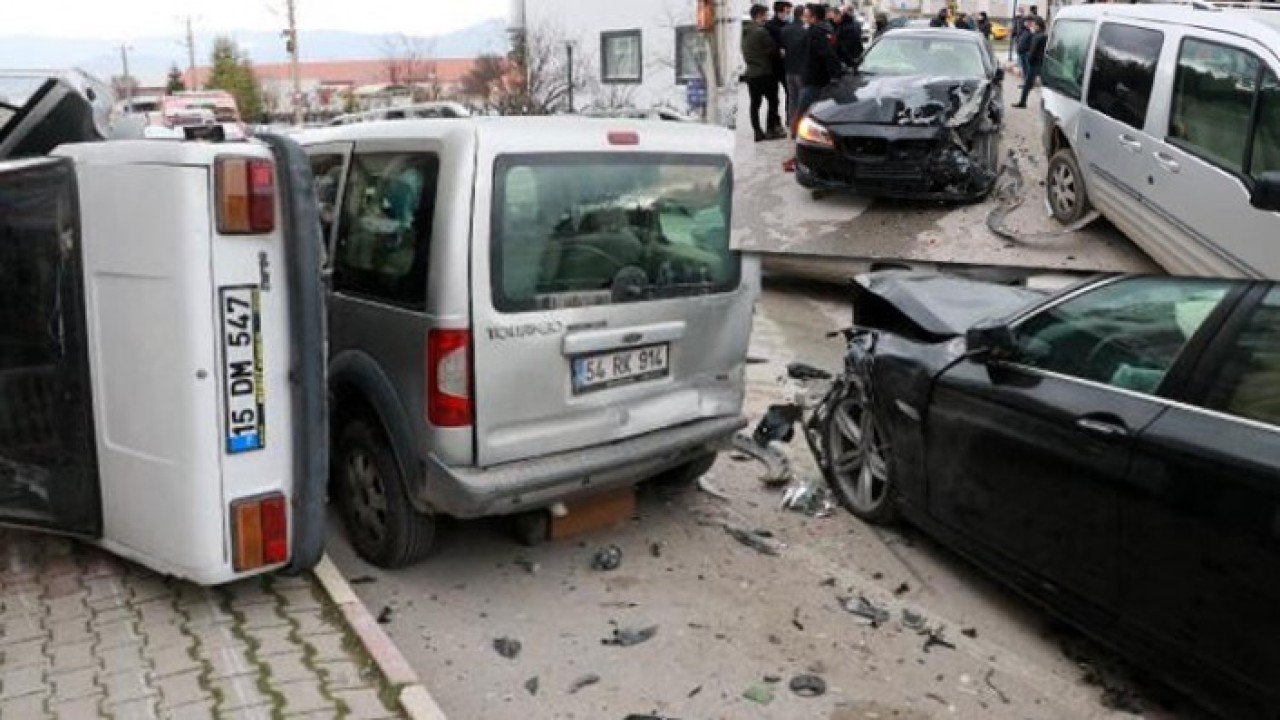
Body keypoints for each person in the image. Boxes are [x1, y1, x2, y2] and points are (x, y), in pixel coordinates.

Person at [795, 3, 841, 133]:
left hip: (814, 80)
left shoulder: (816, 31)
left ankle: (800, 144)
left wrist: (837, 73)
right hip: (818, 78)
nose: (803, 19)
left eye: (806, 16)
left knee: (803, 114)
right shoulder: (827, 29)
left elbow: (828, 54)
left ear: (813, 18)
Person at [743, 4, 783, 141]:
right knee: (773, 101)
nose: (767, 17)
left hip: (751, 74)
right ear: (759, 15)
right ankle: (770, 129)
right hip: (764, 73)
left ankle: (757, 132)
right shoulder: (761, 32)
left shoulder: (745, 32)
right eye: (766, 14)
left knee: (755, 104)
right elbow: (773, 50)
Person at [781, 4, 810, 132]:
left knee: (792, 100)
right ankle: (801, 128)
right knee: (803, 101)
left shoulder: (785, 29)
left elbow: (783, 49)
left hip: (789, 69)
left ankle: (793, 128)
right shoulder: (805, 31)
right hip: (802, 71)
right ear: (803, 16)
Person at [765, 1, 793, 136]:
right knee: (773, 97)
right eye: (787, 12)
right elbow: (767, 45)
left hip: (786, 66)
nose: (789, 15)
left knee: (790, 92)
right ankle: (774, 124)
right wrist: (778, 50)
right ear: (779, 11)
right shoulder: (769, 26)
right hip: (772, 66)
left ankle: (790, 118)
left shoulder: (788, 25)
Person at [1012, 17, 1047, 108]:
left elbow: (1033, 50)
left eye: (1034, 24)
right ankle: (1023, 102)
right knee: (1035, 83)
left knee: (1029, 84)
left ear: (1038, 26)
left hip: (1034, 63)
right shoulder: (1041, 35)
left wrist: (1029, 58)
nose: (1033, 26)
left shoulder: (1038, 36)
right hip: (1038, 62)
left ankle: (1022, 102)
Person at [1015, 12, 1034, 86]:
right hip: (1021, 52)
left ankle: (1028, 83)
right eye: (1025, 21)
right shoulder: (1024, 30)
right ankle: (1025, 82)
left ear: (1031, 22)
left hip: (1027, 53)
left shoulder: (1032, 31)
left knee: (1027, 69)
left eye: (1027, 21)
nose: (1025, 23)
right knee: (1024, 69)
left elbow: (1033, 43)